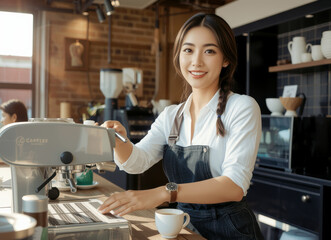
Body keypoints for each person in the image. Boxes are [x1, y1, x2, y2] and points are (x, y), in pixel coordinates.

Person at [99, 13, 263, 240]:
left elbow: (233, 186)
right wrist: (118, 140)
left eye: (209, 51)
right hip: (184, 228)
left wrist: (161, 194)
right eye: (188, 50)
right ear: (178, 56)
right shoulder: (172, 116)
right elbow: (136, 162)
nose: (196, 61)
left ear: (225, 59)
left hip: (231, 232)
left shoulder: (242, 108)